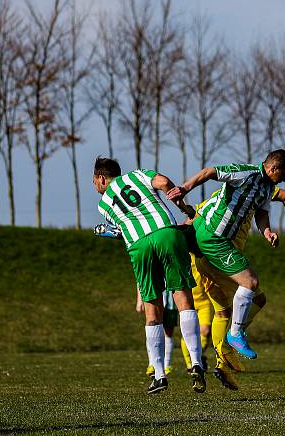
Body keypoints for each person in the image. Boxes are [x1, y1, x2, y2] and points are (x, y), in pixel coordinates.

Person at [92, 156, 206, 394]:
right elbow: (164, 182)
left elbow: (124, 230)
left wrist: (109, 233)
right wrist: (183, 207)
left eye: (94, 182)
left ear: (101, 178)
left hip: (139, 245)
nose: (95, 186)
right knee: (183, 299)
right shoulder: (138, 174)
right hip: (167, 233)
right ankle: (196, 363)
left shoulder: (103, 205)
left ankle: (159, 375)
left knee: (152, 310)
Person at [167, 149, 285, 360]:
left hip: (213, 238)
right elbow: (210, 172)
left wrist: (268, 232)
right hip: (213, 238)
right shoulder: (245, 172)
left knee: (233, 305)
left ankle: (218, 355)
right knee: (251, 283)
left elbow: (261, 215)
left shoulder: (267, 187)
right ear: (273, 168)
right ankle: (235, 334)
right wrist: (185, 187)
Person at [191, 186, 285, 391]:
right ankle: (226, 349)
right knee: (256, 298)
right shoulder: (252, 188)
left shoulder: (216, 200)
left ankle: (219, 365)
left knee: (222, 312)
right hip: (221, 259)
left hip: (200, 261)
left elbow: (189, 222)